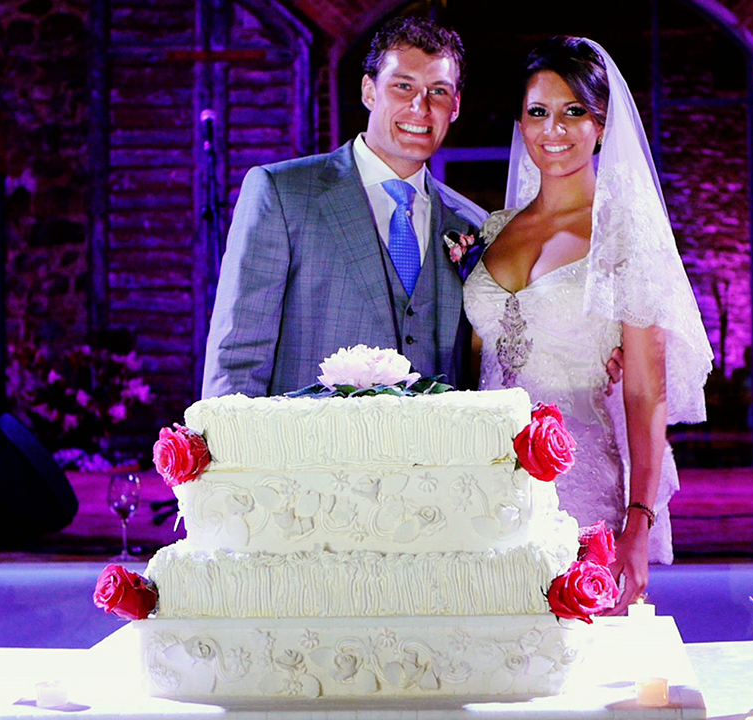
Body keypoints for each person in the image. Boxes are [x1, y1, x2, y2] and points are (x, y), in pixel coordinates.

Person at [463, 37, 713, 612]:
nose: (555, 129)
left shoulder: (622, 233)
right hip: (481, 488)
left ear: (602, 125)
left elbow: (647, 390)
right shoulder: (495, 228)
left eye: (574, 111)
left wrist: (639, 521)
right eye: (539, 112)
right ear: (521, 124)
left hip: (579, 481)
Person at [202, 17, 486, 398]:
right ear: (370, 91)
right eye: (403, 86)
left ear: (454, 106)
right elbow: (237, 357)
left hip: (435, 455)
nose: (421, 107)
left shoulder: (471, 222)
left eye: (438, 91)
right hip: (306, 453)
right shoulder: (283, 193)